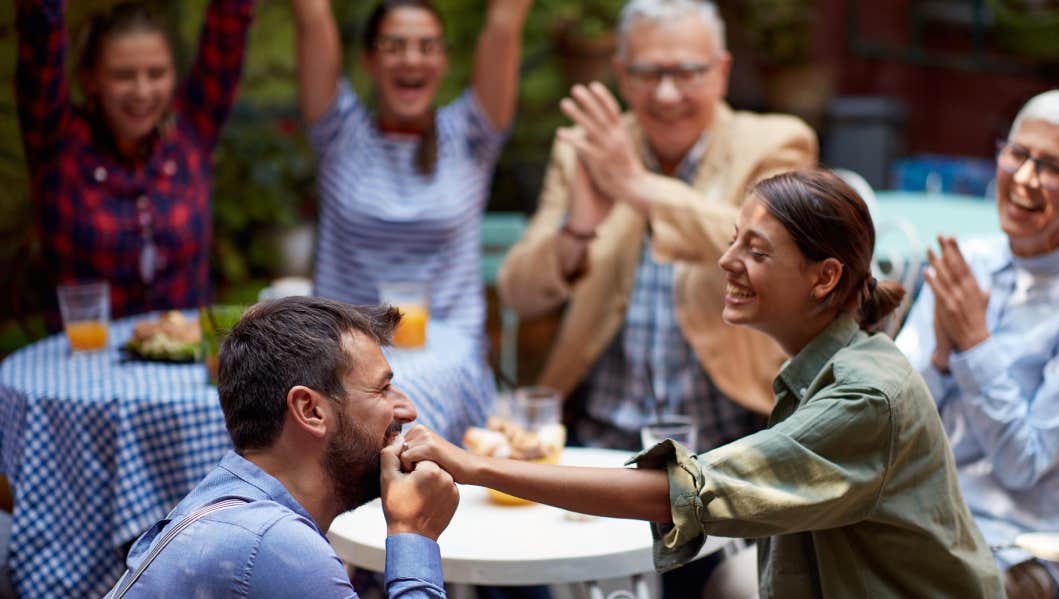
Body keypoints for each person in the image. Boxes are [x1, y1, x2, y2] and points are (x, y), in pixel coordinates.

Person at [407, 170, 1006, 598]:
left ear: (824, 279)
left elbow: (680, 492)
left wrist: (475, 467)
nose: (726, 261)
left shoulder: (863, 397)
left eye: (756, 250)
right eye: (732, 240)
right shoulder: (827, 369)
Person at [498, 0, 817, 454]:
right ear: (621, 75)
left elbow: (774, 247)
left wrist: (636, 186)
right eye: (647, 74)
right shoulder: (585, 152)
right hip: (599, 441)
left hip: (734, 445)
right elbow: (518, 293)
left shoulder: (777, 142)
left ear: (721, 72)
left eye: (687, 73)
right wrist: (578, 231)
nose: (666, 95)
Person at [895, 89, 1059, 599]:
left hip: (1014, 548)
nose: (1024, 179)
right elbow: (893, 421)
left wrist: (974, 345)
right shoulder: (968, 263)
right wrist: (941, 357)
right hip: (913, 520)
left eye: (1052, 167)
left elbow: (1024, 466)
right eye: (1018, 154)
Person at [110, 297, 459, 597]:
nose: (408, 410)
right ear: (310, 411)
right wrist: (413, 535)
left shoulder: (236, 506)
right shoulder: (273, 544)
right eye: (383, 390)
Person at [291, 0, 530, 348]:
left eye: (427, 47)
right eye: (394, 46)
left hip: (449, 354)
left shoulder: (470, 135)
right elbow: (312, 16)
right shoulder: (339, 132)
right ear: (368, 61)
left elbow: (505, 23)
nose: (412, 59)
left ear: (444, 62)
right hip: (345, 354)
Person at [16, 0, 253, 322]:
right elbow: (40, 35)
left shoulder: (191, 133)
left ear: (174, 76)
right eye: (123, 75)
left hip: (186, 358)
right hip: (84, 363)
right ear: (90, 79)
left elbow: (228, 31)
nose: (142, 91)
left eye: (156, 74)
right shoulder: (58, 144)